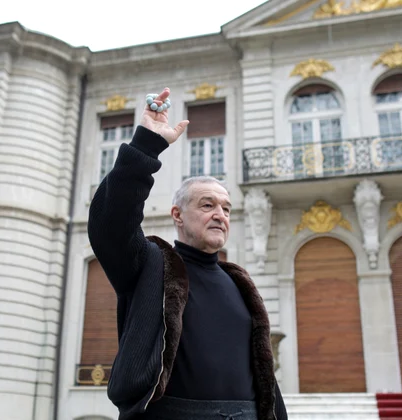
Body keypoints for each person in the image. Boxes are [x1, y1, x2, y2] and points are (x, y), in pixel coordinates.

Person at [88, 87, 288, 420]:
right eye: (207, 205)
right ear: (177, 215)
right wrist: (146, 144)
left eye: (226, 208)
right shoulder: (150, 264)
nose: (220, 215)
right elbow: (110, 222)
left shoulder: (238, 283)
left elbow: (264, 375)